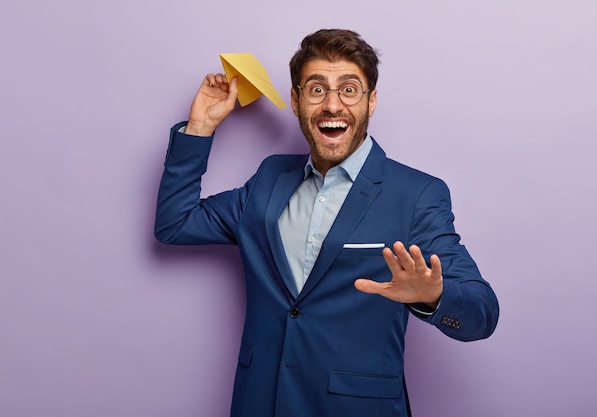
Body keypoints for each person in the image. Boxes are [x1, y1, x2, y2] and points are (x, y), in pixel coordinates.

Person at [155, 28, 499, 417]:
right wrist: (200, 128)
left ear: (371, 102)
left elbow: (482, 314)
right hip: (260, 401)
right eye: (317, 89)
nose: (332, 105)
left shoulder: (417, 194)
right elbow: (175, 222)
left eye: (349, 90)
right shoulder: (269, 178)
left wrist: (433, 297)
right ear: (296, 100)